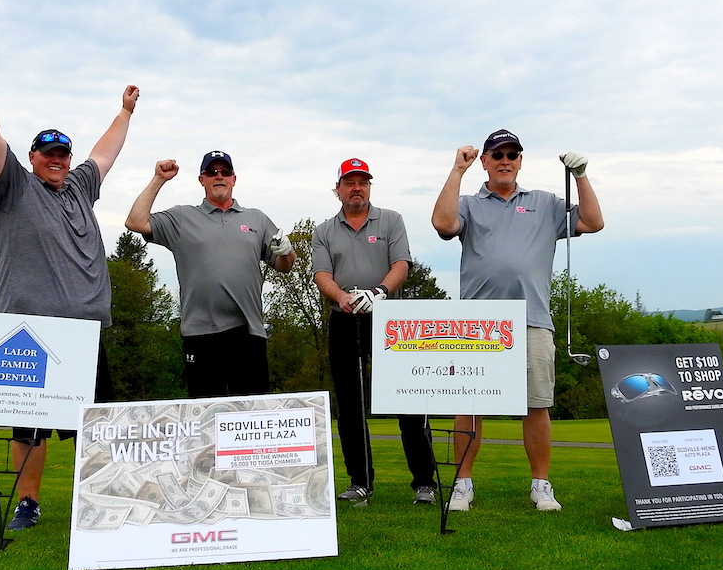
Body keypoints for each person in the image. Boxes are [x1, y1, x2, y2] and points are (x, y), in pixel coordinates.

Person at [0, 39, 140, 531]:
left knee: (92, 426)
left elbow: (105, 153)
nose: (58, 160)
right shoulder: (12, 185)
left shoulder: (79, 187)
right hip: (30, 333)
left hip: (86, 331)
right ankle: (28, 504)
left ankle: (96, 500)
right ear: (33, 156)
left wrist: (124, 111)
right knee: (29, 429)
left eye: (63, 153)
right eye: (49, 153)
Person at [431, 130, 603, 512]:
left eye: (512, 154)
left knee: (536, 405)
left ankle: (541, 485)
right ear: (486, 161)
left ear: (521, 161)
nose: (505, 160)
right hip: (477, 323)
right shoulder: (469, 204)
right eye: (497, 155)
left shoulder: (544, 202)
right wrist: (457, 170)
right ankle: (463, 483)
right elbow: (442, 224)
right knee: (469, 404)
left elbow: (592, 222)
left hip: (532, 318)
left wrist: (581, 176)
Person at [312, 158, 438, 505]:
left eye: (363, 182)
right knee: (351, 404)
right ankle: (360, 482)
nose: (357, 188)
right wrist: (343, 297)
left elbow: (401, 264)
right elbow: (322, 274)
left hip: (389, 319)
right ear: (337, 189)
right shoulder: (324, 230)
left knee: (407, 400)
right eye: (350, 182)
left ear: (369, 186)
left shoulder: (391, 220)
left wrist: (378, 292)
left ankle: (424, 482)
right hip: (344, 318)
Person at [124, 150, 295, 397]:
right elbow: (135, 221)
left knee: (250, 417)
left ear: (234, 179)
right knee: (205, 420)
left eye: (225, 172)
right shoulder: (182, 218)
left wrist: (287, 252)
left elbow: (284, 265)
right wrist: (159, 179)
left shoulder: (256, 218)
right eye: (211, 172)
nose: (219, 176)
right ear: (201, 179)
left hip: (248, 333)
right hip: (200, 334)